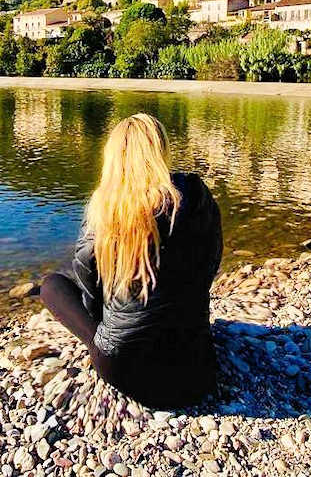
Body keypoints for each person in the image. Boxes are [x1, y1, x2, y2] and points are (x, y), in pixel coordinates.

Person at [41, 113, 222, 409]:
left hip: (130, 374)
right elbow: (211, 265)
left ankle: (105, 340)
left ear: (112, 157)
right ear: (160, 150)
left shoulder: (106, 208)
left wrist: (102, 325)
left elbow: (88, 283)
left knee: (52, 286)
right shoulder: (197, 197)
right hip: (198, 373)